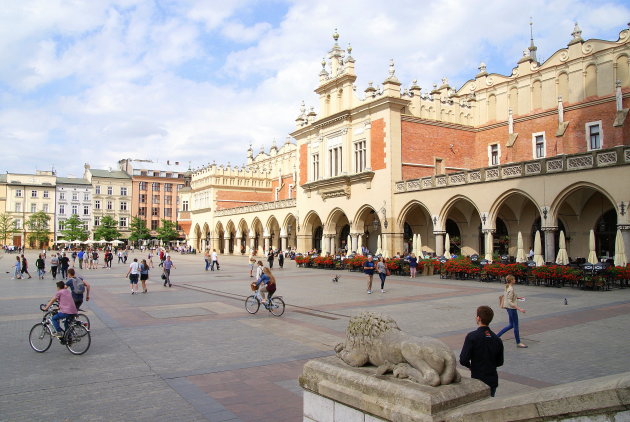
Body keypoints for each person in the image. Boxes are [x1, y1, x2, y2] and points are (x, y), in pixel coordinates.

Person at [459, 305, 504, 397]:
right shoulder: (497, 339)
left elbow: (463, 359)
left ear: (478, 318)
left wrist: (471, 366)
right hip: (492, 379)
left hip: (478, 379)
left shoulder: (472, 337)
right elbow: (500, 362)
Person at [497, 275, 527, 348]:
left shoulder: (507, 287)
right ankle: (518, 342)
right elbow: (510, 301)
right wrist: (519, 309)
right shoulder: (511, 289)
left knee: (511, 325)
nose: (515, 280)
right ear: (511, 280)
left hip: (508, 308)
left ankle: (497, 336)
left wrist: (517, 298)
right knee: (515, 325)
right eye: (514, 279)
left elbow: (508, 298)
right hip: (512, 309)